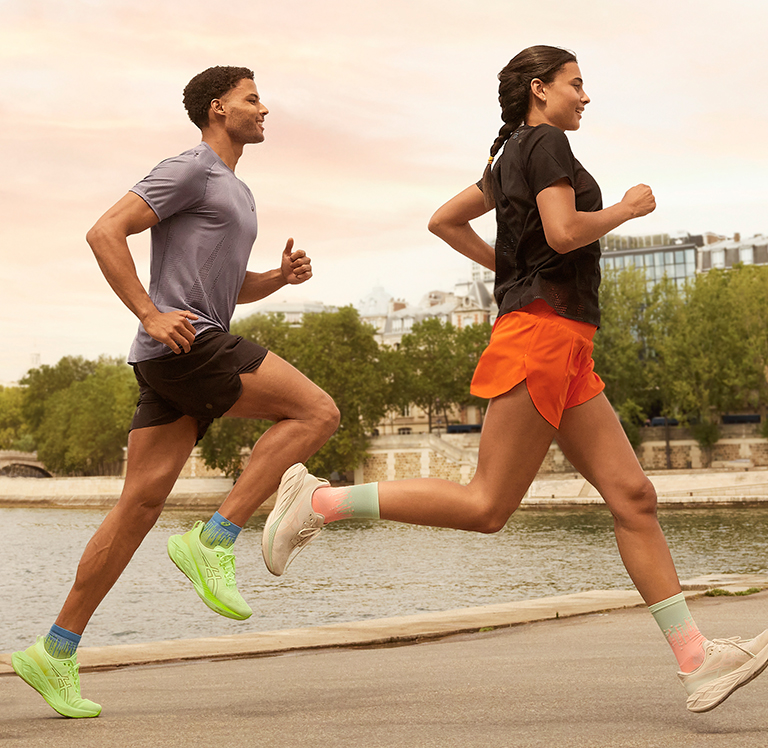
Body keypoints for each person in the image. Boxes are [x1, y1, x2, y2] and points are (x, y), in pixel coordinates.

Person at [261, 46, 768, 714]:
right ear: (539, 89)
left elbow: (444, 220)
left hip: (567, 345)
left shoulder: (510, 156)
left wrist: (508, 270)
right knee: (488, 505)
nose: (585, 96)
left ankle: (696, 661)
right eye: (575, 84)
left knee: (633, 496)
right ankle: (320, 502)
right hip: (543, 336)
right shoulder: (547, 143)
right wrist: (625, 209)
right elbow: (562, 232)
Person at [11, 66, 339, 718]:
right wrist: (149, 312)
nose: (263, 108)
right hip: (186, 344)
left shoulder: (238, 192)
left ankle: (55, 648)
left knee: (138, 506)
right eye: (252, 98)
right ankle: (215, 538)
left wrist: (277, 278)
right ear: (218, 108)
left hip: (176, 354)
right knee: (316, 411)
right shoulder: (191, 168)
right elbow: (105, 230)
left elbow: (227, 284)